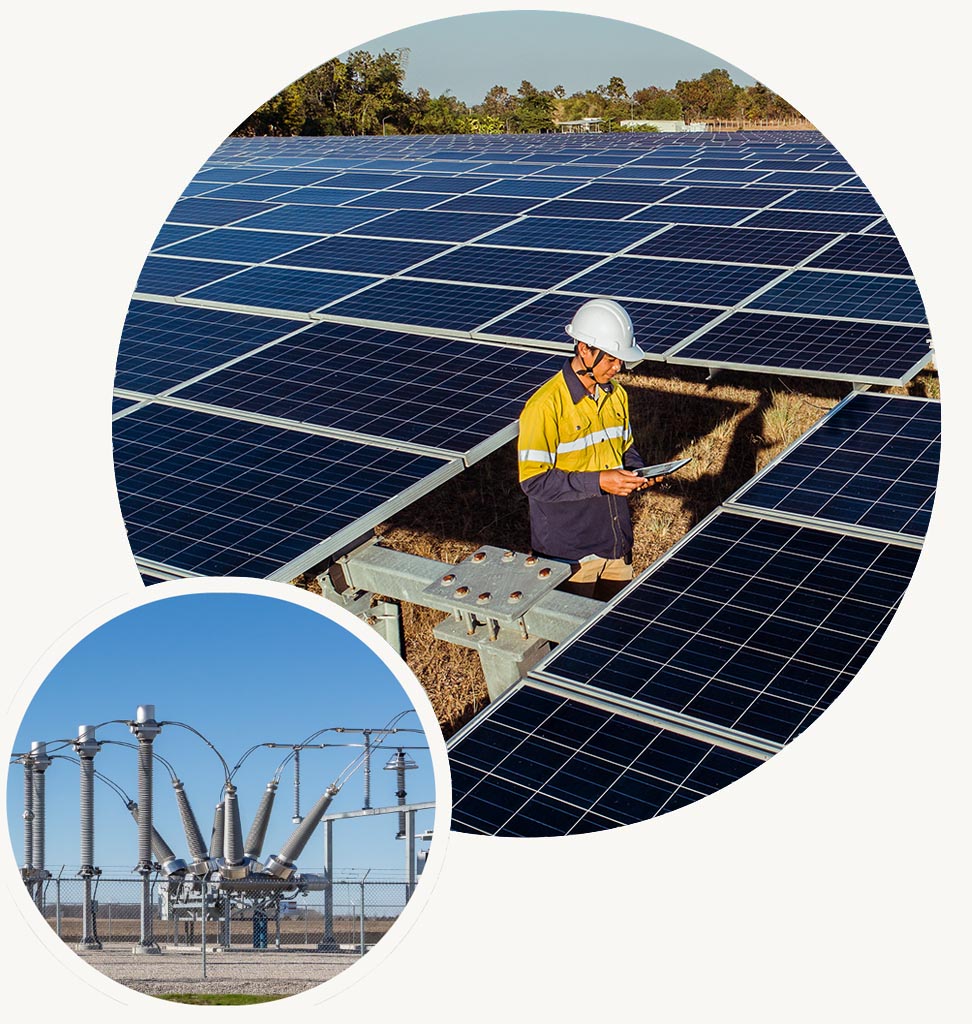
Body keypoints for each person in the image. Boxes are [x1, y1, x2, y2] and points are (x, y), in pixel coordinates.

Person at [517, 298, 659, 601]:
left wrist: (638, 472)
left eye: (620, 360)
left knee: (616, 631)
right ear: (584, 349)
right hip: (570, 555)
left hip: (616, 543)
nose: (617, 367)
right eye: (610, 359)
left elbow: (626, 448)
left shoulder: (616, 395)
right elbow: (534, 481)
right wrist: (600, 481)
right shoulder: (544, 407)